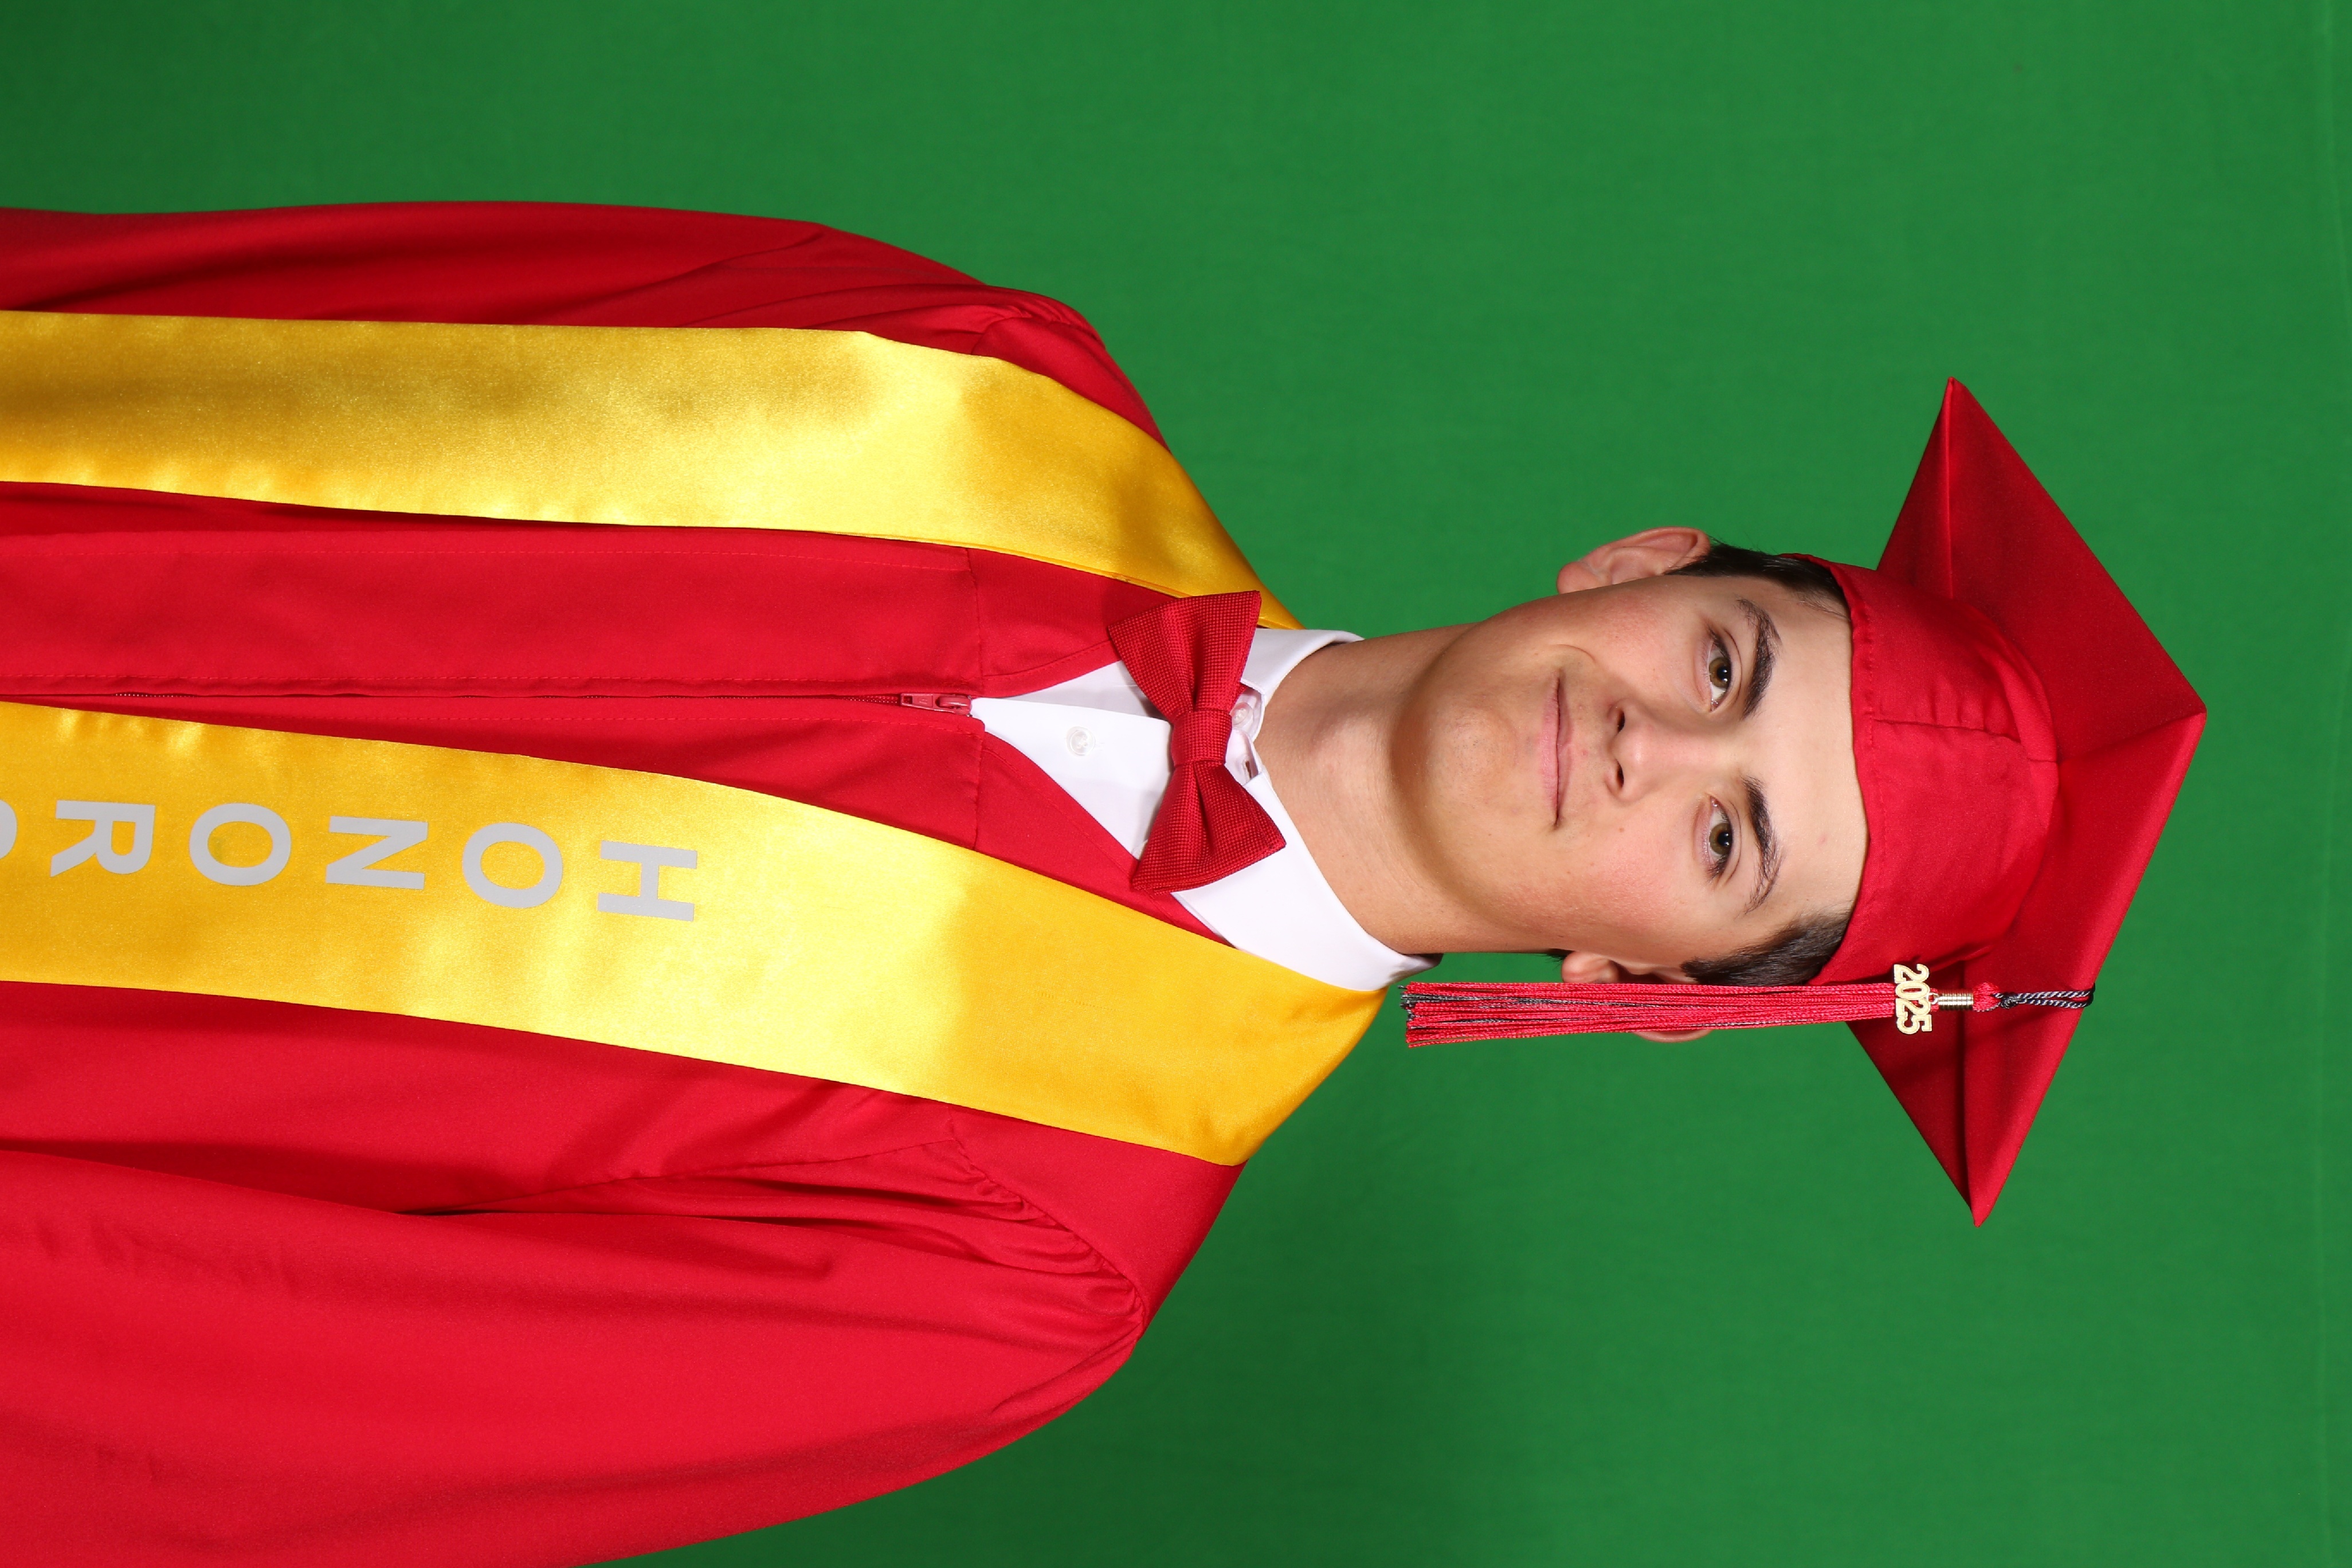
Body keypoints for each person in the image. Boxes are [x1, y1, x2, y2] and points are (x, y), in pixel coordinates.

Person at [0, 203, 2201, 1568]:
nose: (1652, 746)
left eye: (1728, 842)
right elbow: (223, 323)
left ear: (1635, 977)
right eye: (1723, 669)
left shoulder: (1028, 1257)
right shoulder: (969, 398)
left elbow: (236, 1387)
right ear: (1637, 564)